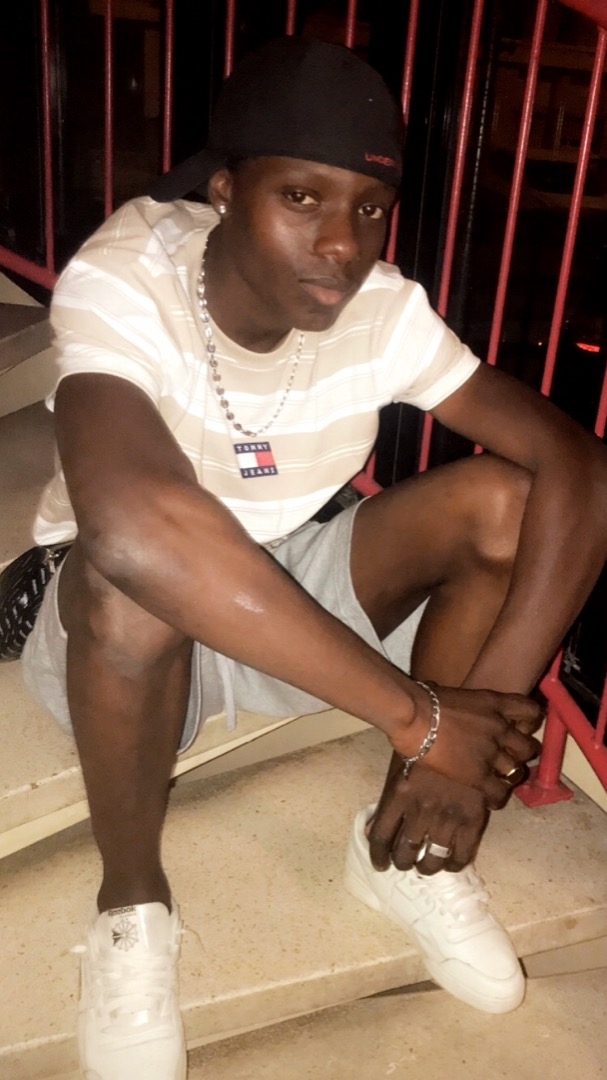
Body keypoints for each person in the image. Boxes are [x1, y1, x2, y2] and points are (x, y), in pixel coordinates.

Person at [21, 35, 607, 1080]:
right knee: (130, 577)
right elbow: (135, 529)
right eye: (301, 198)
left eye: (369, 209)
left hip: (290, 585)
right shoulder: (129, 277)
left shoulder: (381, 310)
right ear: (224, 190)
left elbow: (577, 465)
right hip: (121, 644)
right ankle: (131, 904)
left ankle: (406, 855)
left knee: (505, 506)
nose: (342, 244)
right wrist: (423, 718)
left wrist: (455, 758)